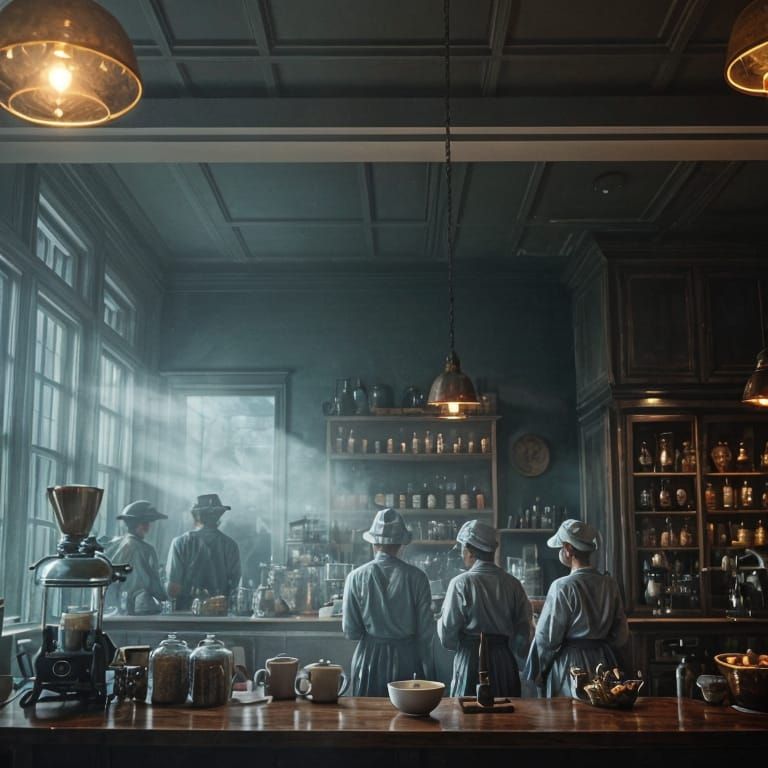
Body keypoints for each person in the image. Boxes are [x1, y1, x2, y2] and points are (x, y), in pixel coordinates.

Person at [524, 518, 629, 698]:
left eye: (561, 547)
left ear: (568, 549)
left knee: (570, 719)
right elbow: (621, 635)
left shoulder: (562, 586)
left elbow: (547, 639)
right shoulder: (609, 584)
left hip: (571, 668)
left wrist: (537, 671)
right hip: (604, 663)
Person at [342, 508, 434, 696]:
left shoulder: (355, 577)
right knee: (406, 720)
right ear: (401, 544)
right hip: (407, 660)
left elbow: (351, 631)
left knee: (367, 719)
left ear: (374, 544)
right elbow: (425, 633)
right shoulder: (418, 577)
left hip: (369, 660)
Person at [437, 520, 533, 698]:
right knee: (506, 718)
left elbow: (447, 635)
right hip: (504, 660)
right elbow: (523, 634)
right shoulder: (513, 584)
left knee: (466, 718)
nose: (461, 552)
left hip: (470, 660)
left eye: (463, 548)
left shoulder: (460, 583)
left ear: (471, 551)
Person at [165, 494, 242, 610]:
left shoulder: (180, 543)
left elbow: (173, 589)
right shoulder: (231, 545)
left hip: (186, 615)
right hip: (220, 614)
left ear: (196, 516)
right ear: (219, 516)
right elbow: (236, 587)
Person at [104, 500, 168, 615]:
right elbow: (148, 582)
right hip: (138, 609)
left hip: (117, 608)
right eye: (144, 523)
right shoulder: (144, 549)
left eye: (148, 523)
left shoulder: (118, 544)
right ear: (134, 524)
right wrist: (163, 596)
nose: (148, 526)